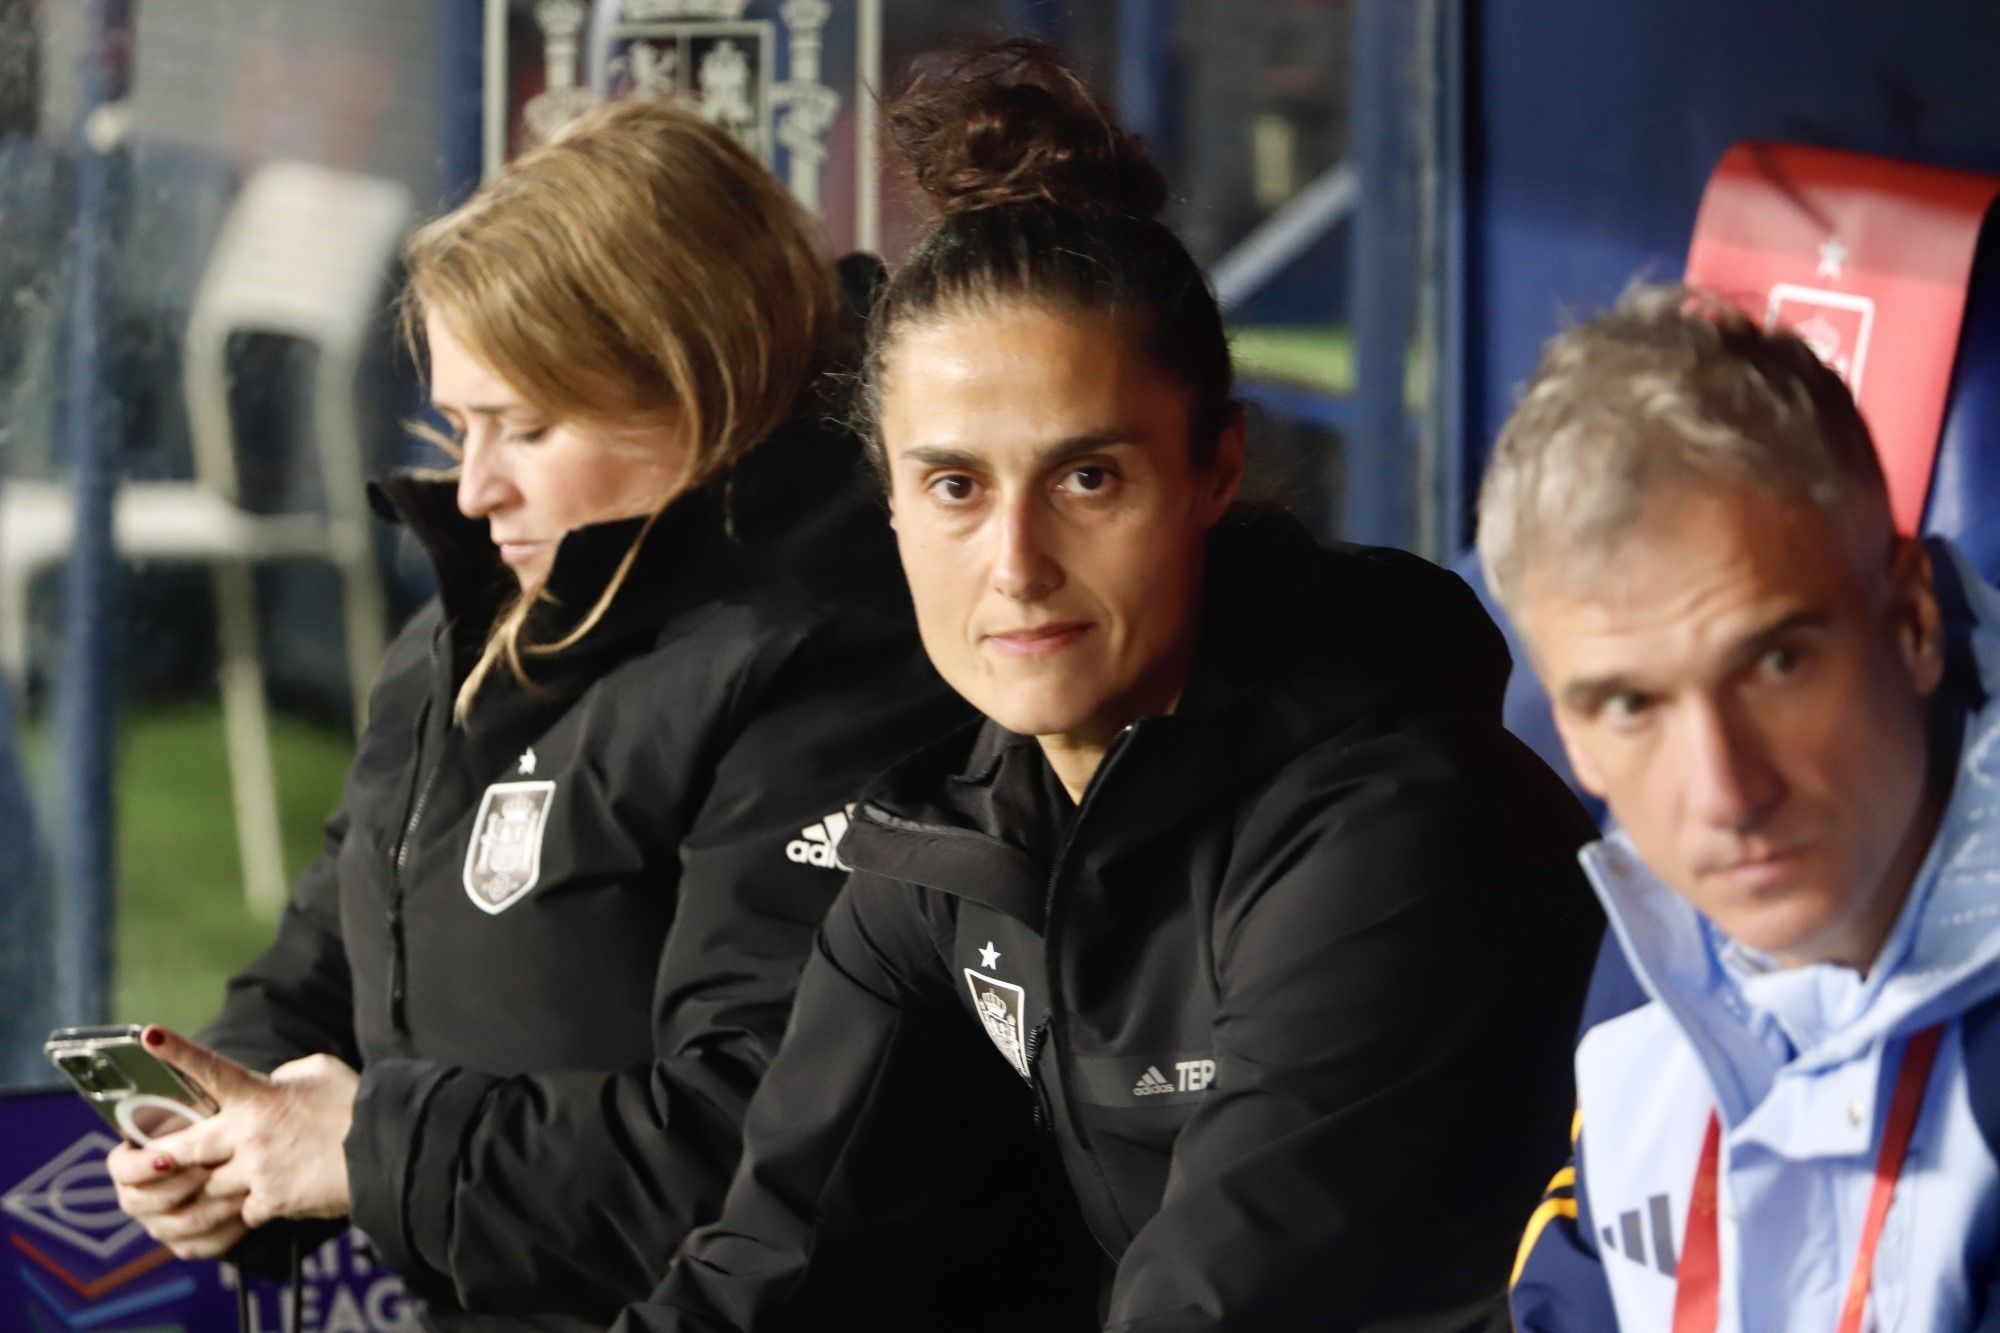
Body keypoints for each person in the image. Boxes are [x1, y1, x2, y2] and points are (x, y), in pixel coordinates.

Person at [618, 42, 1604, 1332]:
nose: (1017, 566)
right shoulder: (954, 842)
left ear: (1214, 469)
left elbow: (1215, 1306)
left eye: (1088, 478)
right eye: (955, 486)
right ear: (894, 508)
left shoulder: (1394, 822)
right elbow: (766, 1273)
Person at [103, 97, 964, 1329]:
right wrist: (228, 1129)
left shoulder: (832, 669)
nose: (474, 485)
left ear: (698, 388)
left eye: (529, 427)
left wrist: (366, 1148)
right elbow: (334, 940)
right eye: (459, 426)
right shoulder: (480, 622)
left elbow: (763, 1146)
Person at [1492, 285, 2000, 1330]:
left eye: (1774, 663)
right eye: (1629, 703)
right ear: (1573, 731)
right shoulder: (1649, 942)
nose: (1723, 792)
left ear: (1909, 621)